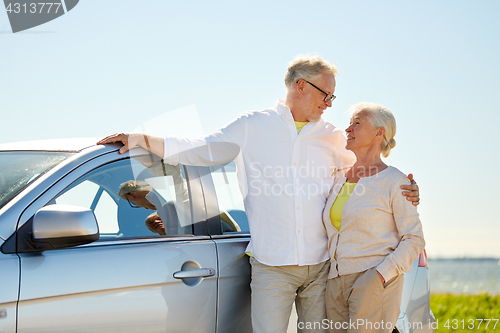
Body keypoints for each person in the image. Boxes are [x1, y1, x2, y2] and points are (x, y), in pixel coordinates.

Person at [98, 55, 420, 333]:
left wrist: (407, 189)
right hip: (271, 266)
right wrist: (143, 140)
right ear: (301, 86)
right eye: (326, 95)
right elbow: (202, 149)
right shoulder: (253, 126)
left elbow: (370, 171)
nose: (328, 104)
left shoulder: (333, 138)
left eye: (333, 98)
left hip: (321, 267)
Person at [323, 102, 425, 333]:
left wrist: (379, 276)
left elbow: (414, 239)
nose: (348, 129)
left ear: (379, 132)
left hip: (374, 281)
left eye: (357, 124)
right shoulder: (337, 178)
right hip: (335, 283)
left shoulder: (395, 181)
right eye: (349, 124)